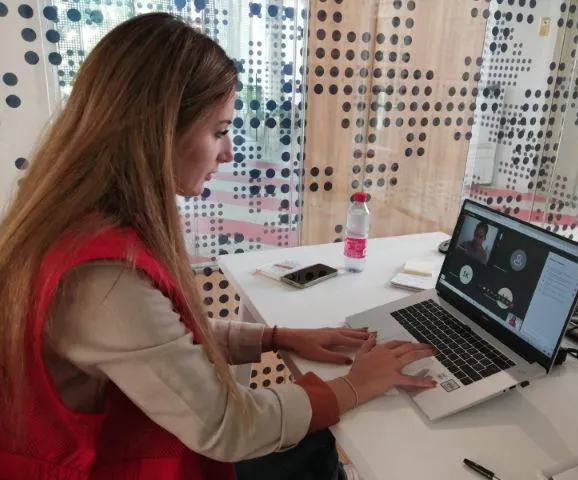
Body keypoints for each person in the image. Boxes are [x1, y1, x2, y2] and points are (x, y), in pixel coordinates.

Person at [0, 13, 438, 480]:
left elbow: (163, 339)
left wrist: (277, 337)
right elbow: (229, 427)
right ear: (158, 131)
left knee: (313, 437)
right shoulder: (100, 279)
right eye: (219, 132)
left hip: (132, 442)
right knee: (320, 436)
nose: (228, 153)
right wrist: (355, 385)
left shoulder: (82, 223)